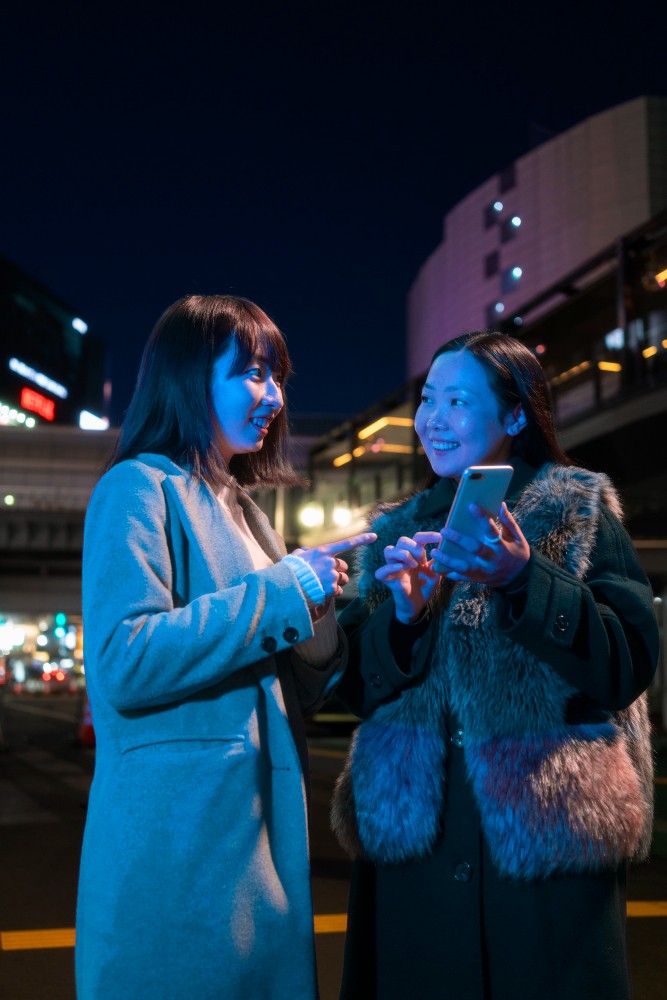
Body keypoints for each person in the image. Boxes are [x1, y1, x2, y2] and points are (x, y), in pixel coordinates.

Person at [331, 331, 658, 1000]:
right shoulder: (395, 531)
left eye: (457, 401)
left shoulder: (576, 511)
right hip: (414, 851)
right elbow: (356, 689)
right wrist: (404, 616)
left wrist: (523, 578)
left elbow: (626, 664)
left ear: (514, 416)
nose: (433, 418)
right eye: (428, 399)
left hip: (545, 854)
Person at [75, 294, 375, 1000]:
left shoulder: (246, 512)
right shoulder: (137, 486)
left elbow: (286, 687)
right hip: (178, 845)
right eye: (252, 373)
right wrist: (283, 591)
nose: (274, 397)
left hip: (251, 837)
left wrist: (316, 611)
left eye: (278, 377)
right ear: (186, 376)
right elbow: (123, 659)